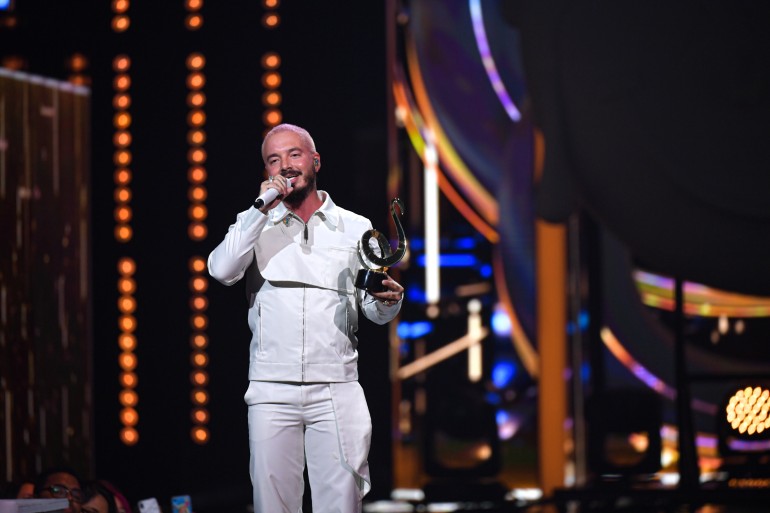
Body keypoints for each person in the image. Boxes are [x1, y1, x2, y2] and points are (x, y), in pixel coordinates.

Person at [208, 123, 404, 513]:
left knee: (340, 504)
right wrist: (261, 207)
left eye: (294, 155)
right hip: (271, 389)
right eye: (273, 160)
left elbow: (373, 312)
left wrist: (387, 300)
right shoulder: (254, 224)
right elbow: (221, 269)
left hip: (336, 387)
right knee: (273, 505)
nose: (285, 166)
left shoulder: (355, 227)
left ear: (315, 161)